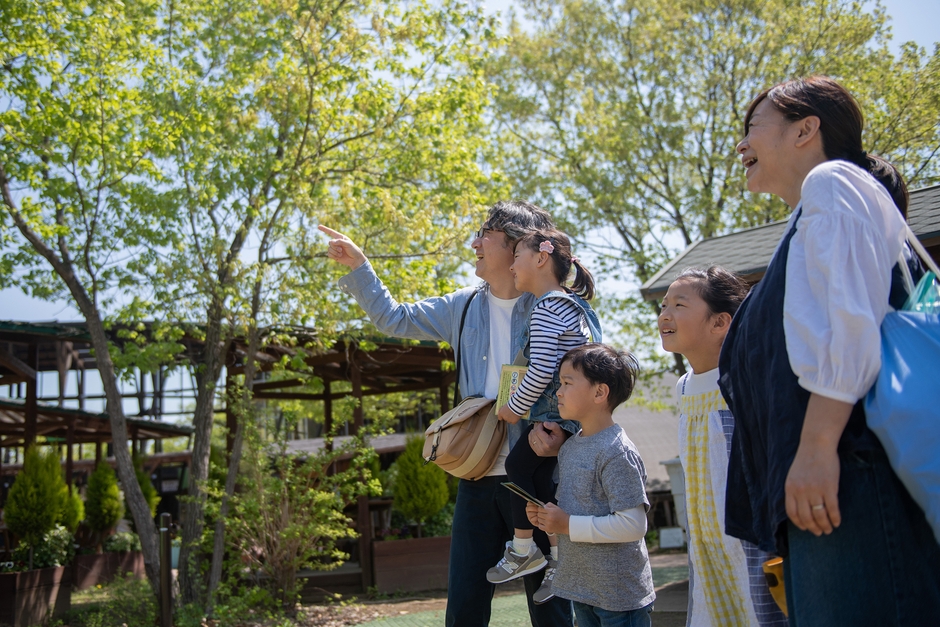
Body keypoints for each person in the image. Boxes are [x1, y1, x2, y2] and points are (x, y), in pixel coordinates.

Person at [719, 75, 940, 625]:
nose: (741, 145)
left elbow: (850, 325)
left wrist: (816, 451)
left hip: (848, 479)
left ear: (806, 130)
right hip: (822, 491)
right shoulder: (802, 222)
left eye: (753, 128)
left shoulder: (834, 182)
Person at [318, 200, 575, 627]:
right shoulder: (462, 305)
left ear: (518, 247)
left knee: (553, 611)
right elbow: (393, 318)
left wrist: (564, 432)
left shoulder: (555, 305)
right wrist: (360, 266)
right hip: (475, 475)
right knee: (464, 608)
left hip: (541, 474)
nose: (473, 243)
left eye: (484, 235)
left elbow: (591, 376)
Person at [658, 267, 787, 627]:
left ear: (720, 323)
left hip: (749, 537)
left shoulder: (747, 377)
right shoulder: (684, 387)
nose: (664, 315)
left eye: (679, 305)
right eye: (664, 305)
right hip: (705, 541)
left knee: (759, 611)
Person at [486, 229, 601, 606]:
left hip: (553, 414)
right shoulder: (571, 304)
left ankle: (523, 549)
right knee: (538, 479)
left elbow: (542, 368)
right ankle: (557, 558)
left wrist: (513, 408)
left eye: (517, 255)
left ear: (540, 259)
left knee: (518, 467)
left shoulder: (548, 307)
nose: (512, 264)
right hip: (571, 418)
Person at [525, 343, 654, 627]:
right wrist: (548, 519)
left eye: (568, 383)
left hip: (620, 598)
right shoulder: (570, 448)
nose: (558, 391)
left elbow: (633, 525)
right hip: (582, 591)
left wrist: (567, 524)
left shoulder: (617, 451)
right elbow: (573, 511)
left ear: (599, 392)